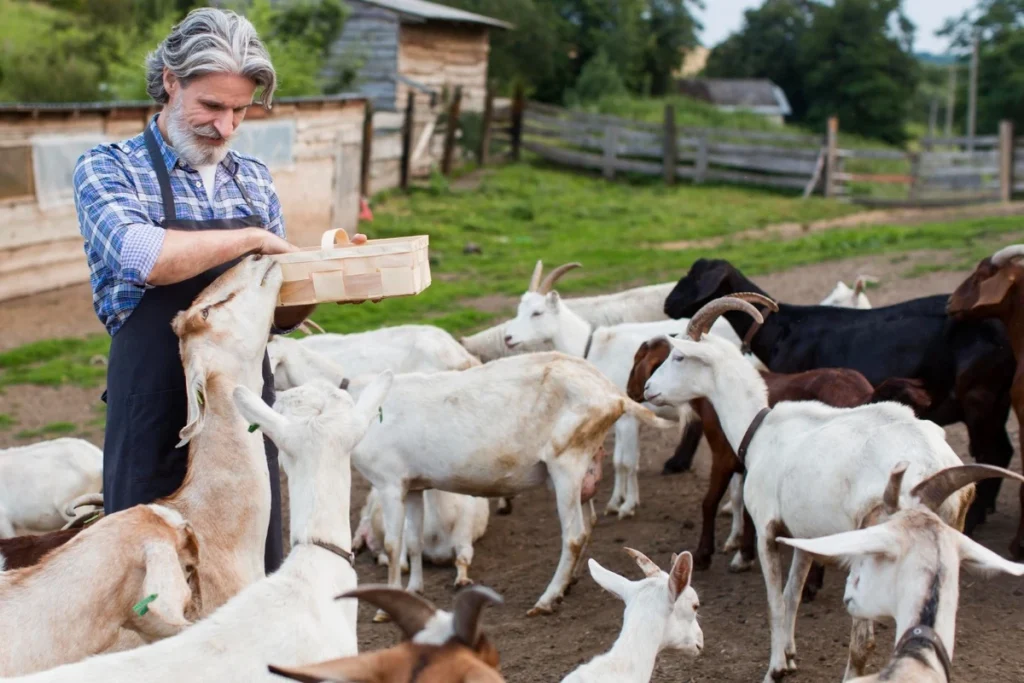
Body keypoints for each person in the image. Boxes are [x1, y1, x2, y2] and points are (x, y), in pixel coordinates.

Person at [72, 7, 364, 574]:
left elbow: (279, 314)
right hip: (155, 406)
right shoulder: (109, 168)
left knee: (248, 572)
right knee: (150, 577)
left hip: (245, 411)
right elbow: (145, 258)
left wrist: (330, 277)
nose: (226, 127)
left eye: (240, 111)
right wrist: (254, 238)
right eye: (211, 106)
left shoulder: (251, 178)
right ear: (170, 81)